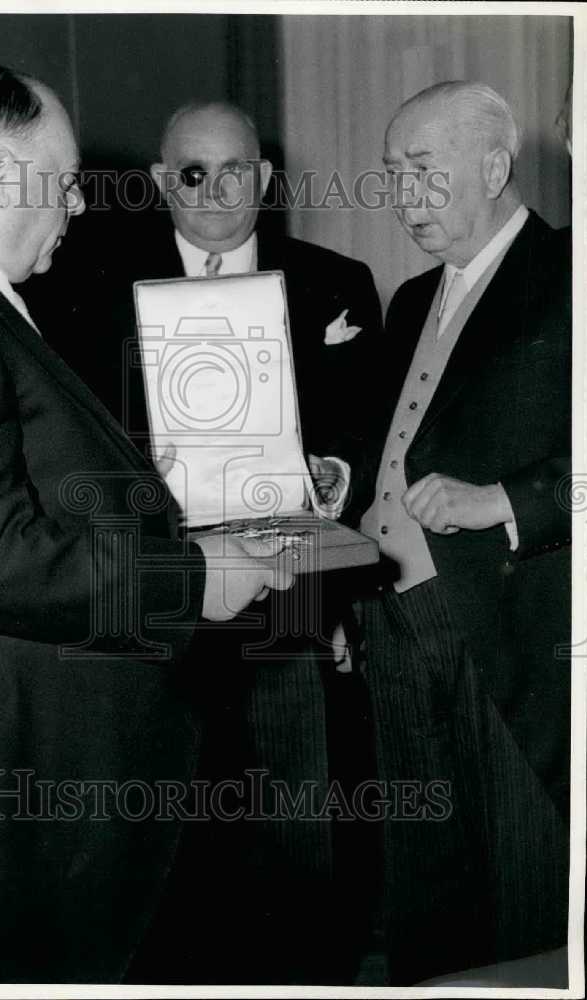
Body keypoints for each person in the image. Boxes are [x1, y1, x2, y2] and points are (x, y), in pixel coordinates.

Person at [0, 63, 293, 984]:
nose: (78, 210)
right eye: (64, 182)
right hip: (8, 795)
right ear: (2, 177)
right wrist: (195, 583)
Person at [22, 100, 384, 984]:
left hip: (286, 599)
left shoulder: (336, 282)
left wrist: (328, 478)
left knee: (297, 829)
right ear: (158, 182)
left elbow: (361, 431)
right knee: (168, 844)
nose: (215, 190)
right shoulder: (88, 287)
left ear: (263, 178)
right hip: (157, 600)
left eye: (234, 171)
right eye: (192, 172)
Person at [348, 80, 571, 985]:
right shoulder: (406, 301)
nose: (402, 195)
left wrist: (503, 500)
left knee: (520, 889)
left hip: (503, 626)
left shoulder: (568, 276)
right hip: (391, 622)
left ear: (492, 167)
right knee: (424, 880)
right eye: (392, 175)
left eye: (422, 172)